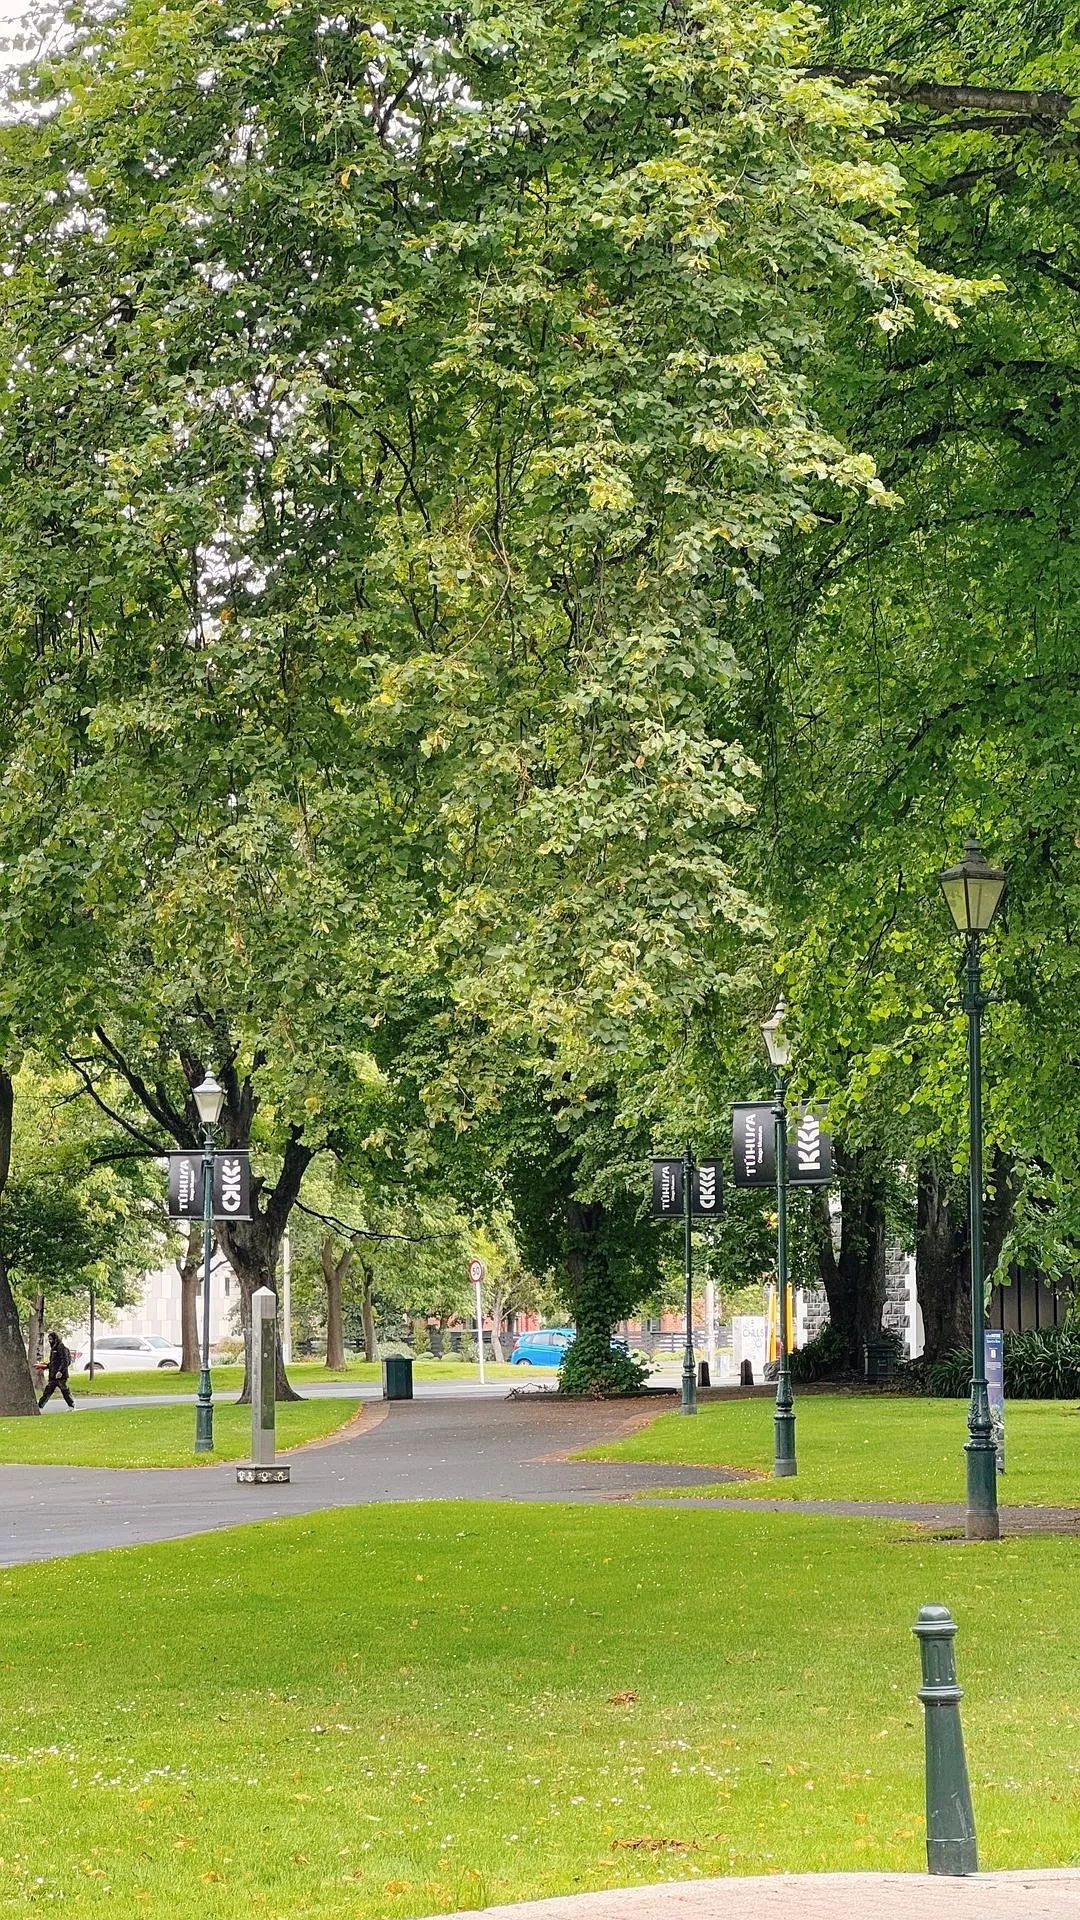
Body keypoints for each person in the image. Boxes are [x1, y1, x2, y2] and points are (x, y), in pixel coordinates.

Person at [38, 1331, 75, 1410]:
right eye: (49, 1339)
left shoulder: (61, 1347)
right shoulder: (54, 1349)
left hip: (60, 1375)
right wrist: (45, 1366)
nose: (50, 1341)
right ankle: (40, 1405)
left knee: (64, 1390)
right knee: (48, 1391)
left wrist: (60, 1371)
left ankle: (71, 1405)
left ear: (55, 1339)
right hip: (53, 1375)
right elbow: (53, 1363)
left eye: (51, 1339)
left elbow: (65, 1361)